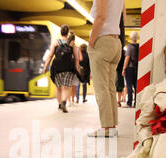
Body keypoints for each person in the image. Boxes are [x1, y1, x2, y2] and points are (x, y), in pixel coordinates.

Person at [86, 0, 126, 137]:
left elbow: (101, 16)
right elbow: (122, 17)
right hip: (116, 42)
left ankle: (106, 127)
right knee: (110, 88)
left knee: (101, 87)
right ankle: (112, 126)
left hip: (102, 41)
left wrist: (91, 41)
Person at [43, 25, 79, 113]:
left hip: (57, 68)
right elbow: (76, 58)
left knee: (58, 87)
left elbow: (50, 55)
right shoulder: (72, 43)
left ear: (61, 32)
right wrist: (76, 69)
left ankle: (59, 105)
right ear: (68, 33)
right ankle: (64, 102)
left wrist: (45, 66)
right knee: (66, 87)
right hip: (68, 68)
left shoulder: (56, 42)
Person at [122, 31, 139, 107]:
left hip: (130, 68)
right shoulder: (139, 46)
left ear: (130, 37)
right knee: (136, 86)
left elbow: (127, 58)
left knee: (129, 85)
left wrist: (124, 68)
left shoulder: (129, 47)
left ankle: (129, 103)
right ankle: (136, 103)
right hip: (136, 68)